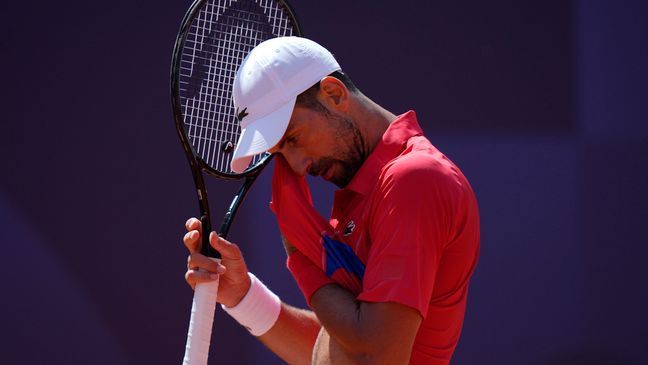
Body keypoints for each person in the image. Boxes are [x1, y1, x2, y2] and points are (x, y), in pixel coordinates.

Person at [183, 36, 480, 364]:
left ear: (334, 94)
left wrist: (301, 253)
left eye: (293, 138)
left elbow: (373, 355)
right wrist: (243, 296)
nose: (297, 165)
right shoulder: (362, 196)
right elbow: (340, 353)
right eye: (279, 152)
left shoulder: (414, 179)